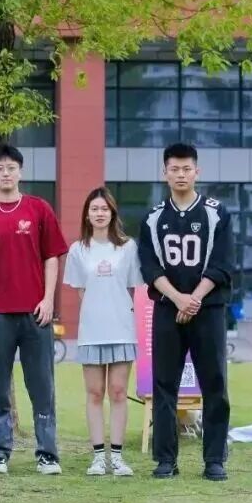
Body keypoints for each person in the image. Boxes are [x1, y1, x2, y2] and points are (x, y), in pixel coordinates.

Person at [0, 144, 69, 475]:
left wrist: (48, 299)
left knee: (42, 386)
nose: (6, 173)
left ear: (20, 172)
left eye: (11, 167)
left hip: (36, 312)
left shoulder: (39, 209)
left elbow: (51, 256)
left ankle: (47, 454)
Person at [138, 143, 233, 481]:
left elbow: (222, 264)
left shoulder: (217, 213)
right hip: (168, 309)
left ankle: (214, 459)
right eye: (174, 169)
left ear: (197, 172)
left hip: (208, 309)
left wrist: (194, 299)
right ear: (165, 173)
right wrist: (179, 299)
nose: (181, 175)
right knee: (164, 385)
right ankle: (166, 460)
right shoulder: (153, 218)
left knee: (214, 382)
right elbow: (150, 267)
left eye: (186, 169)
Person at [63, 187, 143, 477]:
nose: (99, 213)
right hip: (92, 331)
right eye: (94, 209)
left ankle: (118, 457)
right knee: (95, 393)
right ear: (87, 214)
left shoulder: (128, 247)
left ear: (112, 213)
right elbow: (81, 291)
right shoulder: (77, 250)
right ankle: (98, 457)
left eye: (104, 209)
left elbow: (132, 286)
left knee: (118, 392)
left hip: (121, 329)